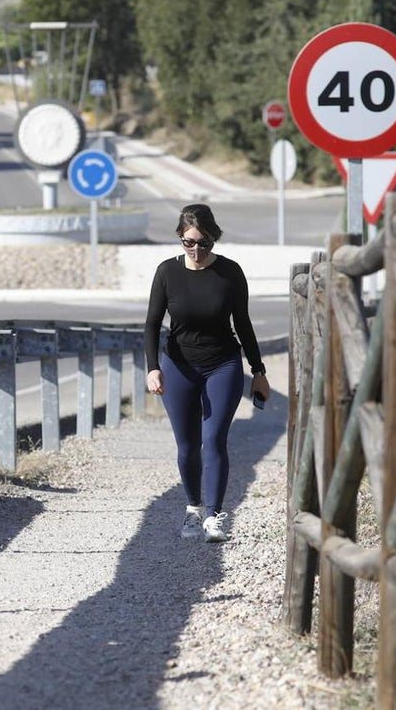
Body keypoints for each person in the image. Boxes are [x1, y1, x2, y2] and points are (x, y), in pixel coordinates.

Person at [144, 204, 270, 542]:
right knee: (188, 445)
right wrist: (153, 368)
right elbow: (153, 323)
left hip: (223, 363)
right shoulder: (166, 273)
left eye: (205, 243)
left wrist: (258, 371)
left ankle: (214, 516)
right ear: (180, 239)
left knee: (214, 439)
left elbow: (242, 324)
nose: (197, 250)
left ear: (214, 239)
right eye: (190, 242)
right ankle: (193, 508)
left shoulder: (230, 273)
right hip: (178, 364)